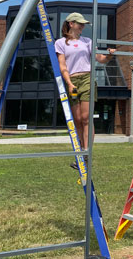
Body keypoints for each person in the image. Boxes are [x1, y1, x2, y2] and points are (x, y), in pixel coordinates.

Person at [55, 12, 115, 161]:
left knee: (86, 118)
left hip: (87, 78)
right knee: (77, 119)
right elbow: (62, 66)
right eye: (80, 23)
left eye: (83, 24)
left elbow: (100, 59)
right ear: (71, 24)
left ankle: (87, 151)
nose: (82, 26)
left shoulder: (87, 41)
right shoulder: (61, 43)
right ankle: (80, 149)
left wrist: (108, 56)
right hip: (72, 80)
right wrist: (69, 84)